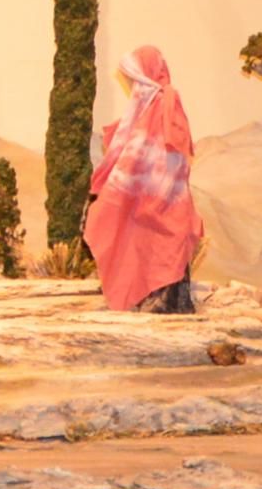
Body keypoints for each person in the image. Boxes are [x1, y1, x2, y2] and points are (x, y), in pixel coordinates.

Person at [84, 43, 202, 312]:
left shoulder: (162, 104)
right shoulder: (150, 105)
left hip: (162, 198)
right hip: (154, 196)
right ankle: (149, 299)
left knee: (162, 248)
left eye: (133, 78)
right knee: (144, 243)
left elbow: (153, 152)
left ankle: (165, 303)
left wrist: (118, 186)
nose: (130, 84)